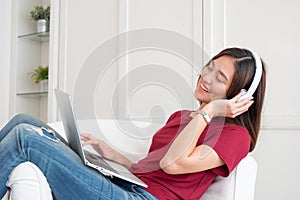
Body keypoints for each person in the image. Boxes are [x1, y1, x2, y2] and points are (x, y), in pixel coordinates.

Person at [0, 47, 266, 200]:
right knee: (25, 120)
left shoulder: (235, 137)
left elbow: (172, 164)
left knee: (26, 138)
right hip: (127, 186)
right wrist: (110, 154)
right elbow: (151, 169)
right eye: (209, 66)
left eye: (219, 77)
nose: (205, 77)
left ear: (238, 94)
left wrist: (211, 111)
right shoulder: (183, 117)